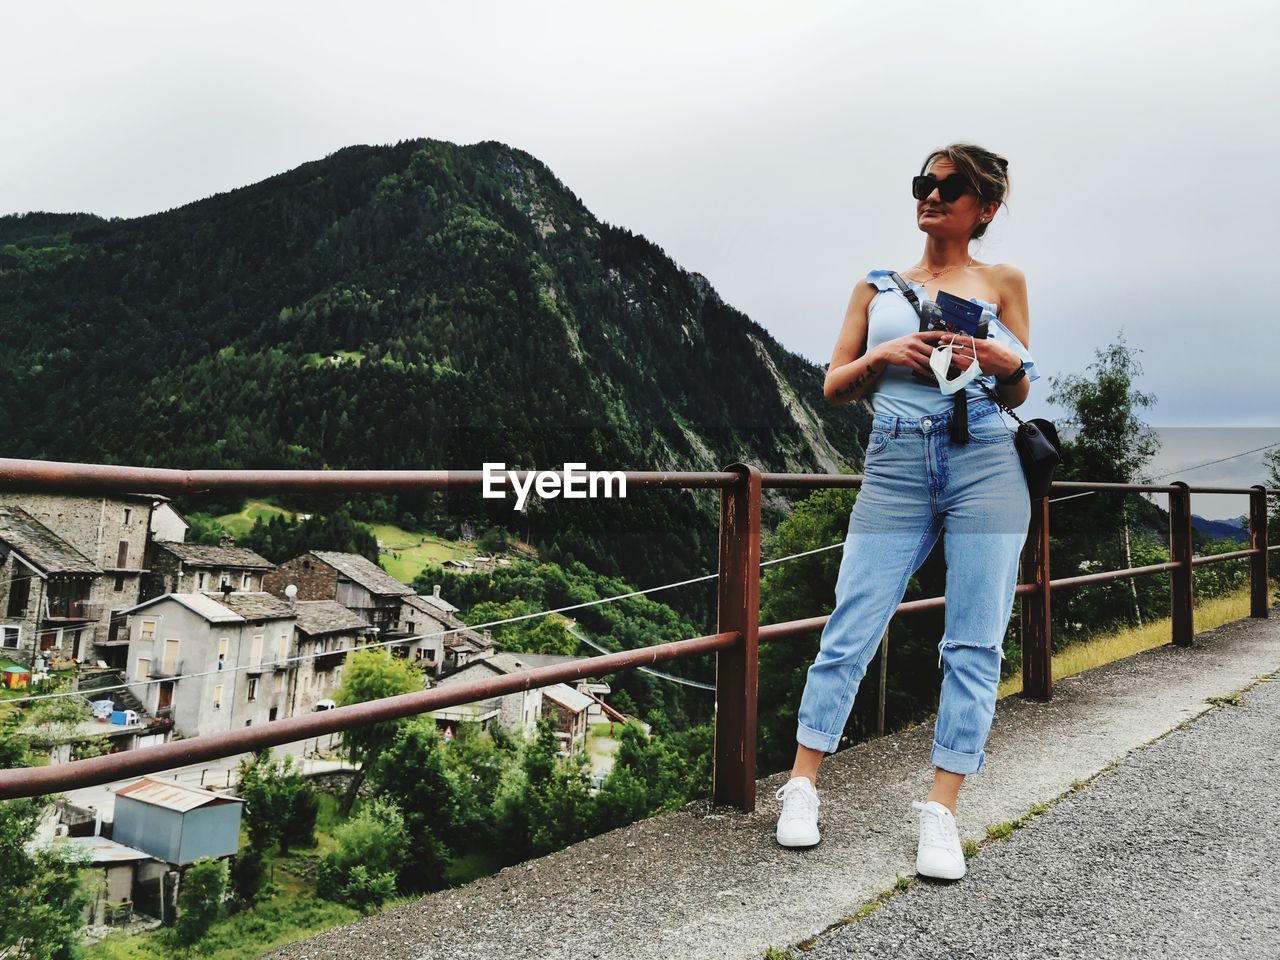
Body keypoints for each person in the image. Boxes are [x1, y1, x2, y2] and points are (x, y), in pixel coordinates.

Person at [774, 143, 1039, 881]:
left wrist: (995, 360)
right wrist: (888, 359)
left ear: (983, 208)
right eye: (924, 183)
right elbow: (834, 384)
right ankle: (801, 785)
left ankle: (942, 809)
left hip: (984, 456)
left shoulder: (1004, 281)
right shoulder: (877, 286)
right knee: (850, 624)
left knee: (975, 638)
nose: (931, 195)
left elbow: (1020, 390)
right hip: (893, 460)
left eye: (949, 188)